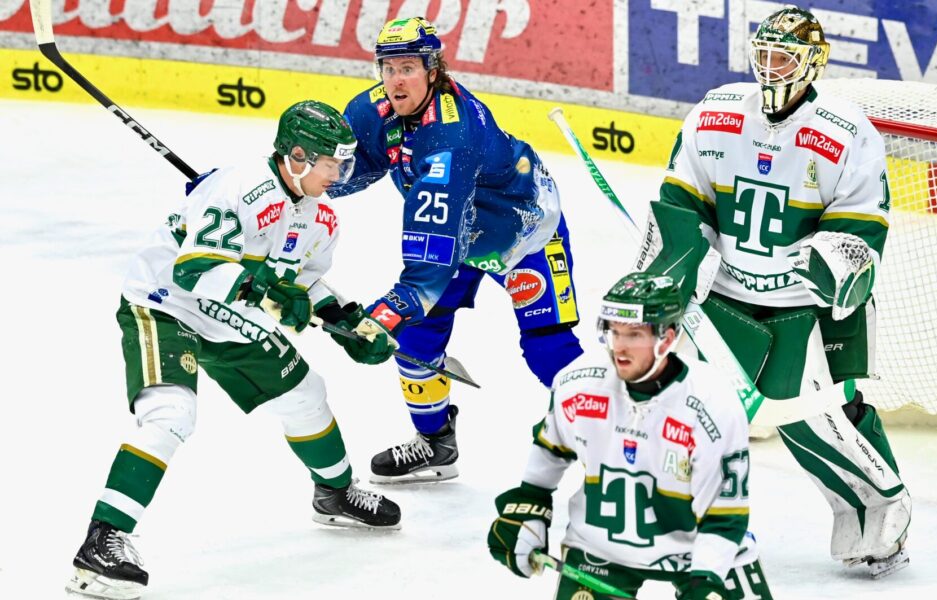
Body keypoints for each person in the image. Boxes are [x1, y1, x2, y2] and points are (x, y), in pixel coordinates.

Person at [67, 100, 402, 600]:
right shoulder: (239, 187)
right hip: (167, 305)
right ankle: (102, 541)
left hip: (229, 316)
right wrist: (266, 291)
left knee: (306, 394)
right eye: (331, 164)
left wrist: (348, 321)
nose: (339, 175)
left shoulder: (320, 217)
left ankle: (334, 494)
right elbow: (191, 271)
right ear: (297, 157)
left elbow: (304, 283)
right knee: (172, 413)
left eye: (342, 164)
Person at [636, 6, 910, 578]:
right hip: (723, 298)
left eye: (783, 57)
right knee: (688, 406)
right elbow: (683, 201)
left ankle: (883, 510)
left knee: (819, 418)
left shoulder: (845, 131)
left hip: (801, 307)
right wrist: (675, 266)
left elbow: (863, 224)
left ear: (812, 63)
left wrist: (834, 262)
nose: (769, 67)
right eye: (762, 54)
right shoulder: (716, 114)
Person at [328, 16, 584, 483]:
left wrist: (385, 313)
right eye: (388, 68)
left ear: (433, 70)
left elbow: (431, 261)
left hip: (524, 233)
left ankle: (616, 445)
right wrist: (274, 187)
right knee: (415, 335)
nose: (395, 80)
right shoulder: (373, 110)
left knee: (547, 348)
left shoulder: (452, 138)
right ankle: (435, 443)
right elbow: (338, 173)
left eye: (408, 68)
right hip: (459, 237)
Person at [487, 272, 772, 600]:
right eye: (614, 332)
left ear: (666, 338)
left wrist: (707, 580)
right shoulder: (579, 383)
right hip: (601, 548)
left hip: (700, 550)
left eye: (634, 334)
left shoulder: (712, 402)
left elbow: (724, 514)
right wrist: (530, 503)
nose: (620, 347)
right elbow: (552, 446)